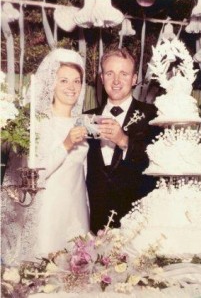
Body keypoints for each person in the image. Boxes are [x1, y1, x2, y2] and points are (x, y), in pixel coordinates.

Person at [1, 48, 90, 262]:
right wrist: (66, 144)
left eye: (77, 81)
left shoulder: (83, 123)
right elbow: (34, 174)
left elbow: (82, 174)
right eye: (64, 81)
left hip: (76, 211)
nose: (72, 87)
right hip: (47, 215)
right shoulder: (39, 123)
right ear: (52, 83)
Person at [85, 48, 162, 234]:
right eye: (110, 73)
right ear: (102, 78)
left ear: (134, 79)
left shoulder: (154, 115)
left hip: (138, 224)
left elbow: (161, 163)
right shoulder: (86, 118)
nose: (117, 81)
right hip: (93, 224)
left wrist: (124, 141)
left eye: (124, 74)